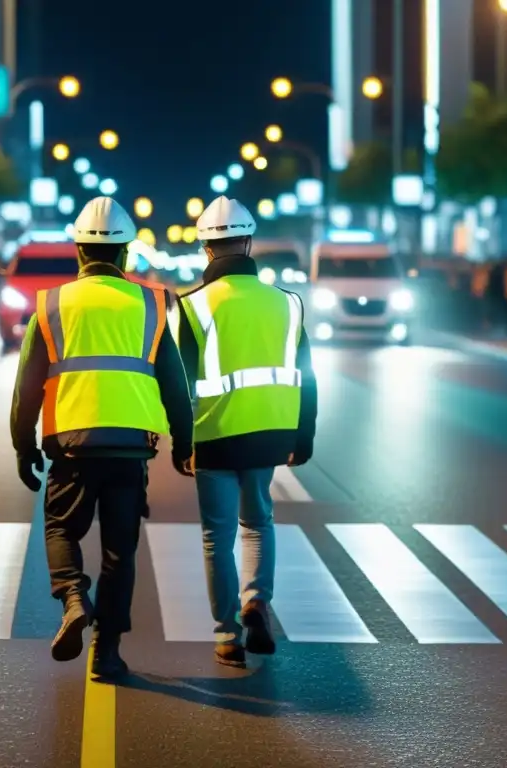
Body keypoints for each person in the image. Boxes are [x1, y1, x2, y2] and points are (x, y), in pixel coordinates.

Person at [10, 196, 194, 681]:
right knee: (120, 553)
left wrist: (22, 445)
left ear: (78, 250)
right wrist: (185, 443)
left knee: (60, 530)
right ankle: (106, 654)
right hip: (130, 448)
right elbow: (175, 383)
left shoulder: (51, 304)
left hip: (71, 445)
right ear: (127, 254)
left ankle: (73, 595)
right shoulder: (151, 303)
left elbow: (26, 386)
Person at [173, 196, 317, 668]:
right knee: (258, 523)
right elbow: (307, 374)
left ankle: (227, 635)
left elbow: (182, 382)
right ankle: (258, 602)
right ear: (248, 243)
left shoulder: (192, 307)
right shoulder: (287, 303)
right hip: (270, 432)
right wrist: (304, 436)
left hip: (212, 435)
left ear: (206, 250)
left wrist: (180, 441)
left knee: (217, 535)